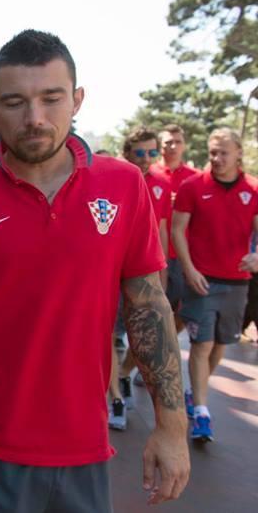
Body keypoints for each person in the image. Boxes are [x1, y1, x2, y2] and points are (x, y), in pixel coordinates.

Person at [0, 30, 189, 512]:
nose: (34, 118)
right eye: (15, 102)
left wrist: (172, 426)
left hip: (81, 445)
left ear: (77, 100)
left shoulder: (122, 186)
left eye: (51, 99)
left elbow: (148, 307)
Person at [172, 127, 258, 442]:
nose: (217, 158)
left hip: (237, 282)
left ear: (238, 153)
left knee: (221, 344)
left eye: (224, 152)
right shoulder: (193, 186)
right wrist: (189, 269)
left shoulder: (253, 189)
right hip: (201, 280)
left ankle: (195, 394)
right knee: (201, 344)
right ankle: (202, 412)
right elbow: (177, 230)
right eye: (213, 152)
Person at [109, 127, 172, 431]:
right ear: (127, 153)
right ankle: (116, 399)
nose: (147, 158)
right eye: (140, 152)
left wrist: (162, 271)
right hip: (112, 272)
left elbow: (161, 229)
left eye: (153, 152)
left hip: (145, 273)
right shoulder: (115, 178)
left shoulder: (162, 184)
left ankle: (123, 374)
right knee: (109, 337)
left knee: (146, 336)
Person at [150, 124, 199, 319]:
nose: (173, 146)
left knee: (181, 311)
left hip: (183, 254)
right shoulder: (148, 173)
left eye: (178, 142)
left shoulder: (195, 178)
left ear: (184, 145)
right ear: (159, 145)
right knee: (153, 310)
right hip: (153, 253)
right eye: (168, 142)